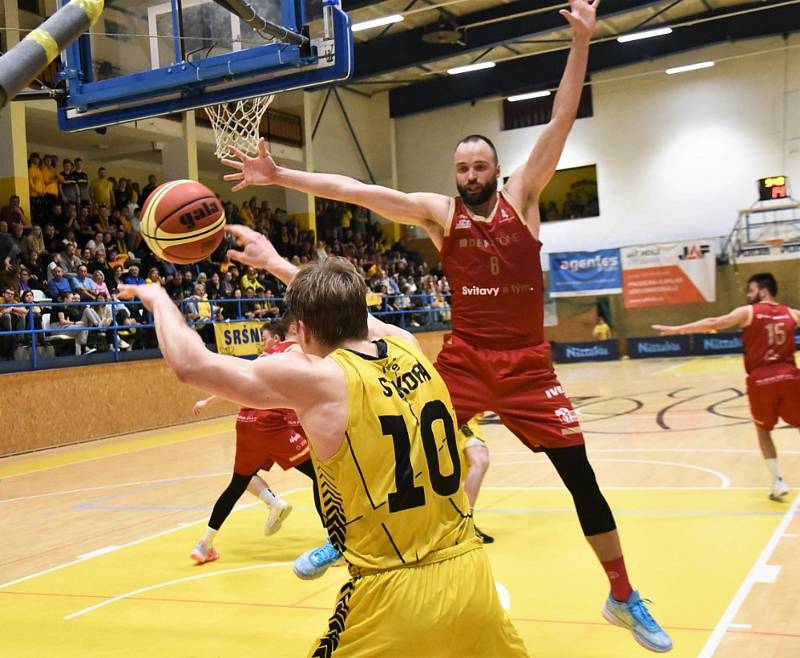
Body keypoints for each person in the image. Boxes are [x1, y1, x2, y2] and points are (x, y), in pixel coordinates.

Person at [220, 1, 670, 652]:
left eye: (479, 167)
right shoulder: (439, 213)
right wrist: (280, 173)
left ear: (495, 168)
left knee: (584, 481)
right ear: (455, 175)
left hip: (528, 366)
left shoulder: (523, 197)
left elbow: (562, 117)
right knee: (376, 431)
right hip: (464, 360)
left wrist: (580, 42)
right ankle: (337, 537)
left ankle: (622, 595)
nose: (471, 176)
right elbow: (355, 190)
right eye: (462, 169)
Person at [119, 227, 528, 657]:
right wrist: (275, 263)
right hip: (472, 575)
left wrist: (159, 301)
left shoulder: (322, 382)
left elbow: (189, 364)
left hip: (393, 591)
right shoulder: (408, 345)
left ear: (304, 329)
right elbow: (344, 309)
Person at [653, 272, 800, 500]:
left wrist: (677, 329)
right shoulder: (792, 313)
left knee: (763, 431)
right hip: (791, 376)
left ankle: (778, 481)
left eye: (750, 290)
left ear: (762, 291)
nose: (747, 295)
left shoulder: (748, 312)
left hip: (761, 379)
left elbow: (713, 323)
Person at [189, 317, 322, 564]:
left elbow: (234, 384)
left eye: (263, 339)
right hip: (270, 424)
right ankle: (335, 541)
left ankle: (204, 545)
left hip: (246, 423)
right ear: (293, 331)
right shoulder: (293, 349)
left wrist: (207, 402)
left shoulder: (262, 359)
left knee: (237, 484)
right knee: (321, 475)